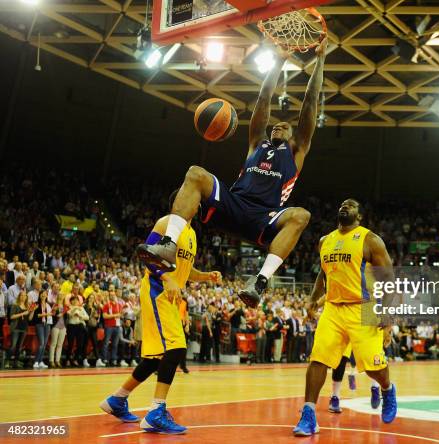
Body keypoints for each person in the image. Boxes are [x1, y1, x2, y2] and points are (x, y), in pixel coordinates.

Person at [136, 37, 329, 308]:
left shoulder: (296, 152)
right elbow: (263, 99)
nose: (278, 127)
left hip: (264, 217)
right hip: (232, 204)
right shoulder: (256, 143)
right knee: (195, 173)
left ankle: (259, 282)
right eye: (275, 126)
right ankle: (168, 243)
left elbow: (309, 105)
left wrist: (320, 59)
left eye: (284, 127)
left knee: (301, 215)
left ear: (294, 136)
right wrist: (279, 60)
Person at [100, 209, 221, 435]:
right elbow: (148, 255)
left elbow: (185, 270)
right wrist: (166, 278)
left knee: (157, 357)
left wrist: (205, 276)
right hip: (157, 289)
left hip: (169, 295)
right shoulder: (167, 222)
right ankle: (156, 412)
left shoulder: (191, 233)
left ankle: (117, 399)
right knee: (176, 347)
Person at [294, 199, 397, 436]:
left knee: (373, 367)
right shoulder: (325, 241)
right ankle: (309, 415)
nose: (345, 206)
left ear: (359, 217)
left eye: (351, 206)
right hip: (333, 309)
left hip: (364, 308)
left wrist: (388, 314)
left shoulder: (370, 240)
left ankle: (387, 389)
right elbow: (322, 274)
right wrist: (312, 299)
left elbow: (389, 279)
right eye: (342, 204)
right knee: (318, 359)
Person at [6, 291, 36, 368]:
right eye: (21, 295)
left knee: (19, 347)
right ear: (19, 296)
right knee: (13, 346)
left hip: (24, 328)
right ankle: (7, 361)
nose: (23, 297)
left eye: (24, 295)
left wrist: (32, 311)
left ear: (26, 297)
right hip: (16, 328)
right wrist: (22, 314)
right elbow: (11, 317)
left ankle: (15, 362)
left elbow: (29, 318)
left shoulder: (27, 306)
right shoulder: (15, 305)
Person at [66, 295, 89, 367]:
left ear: (79, 301)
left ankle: (75, 358)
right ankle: (68, 359)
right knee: (70, 344)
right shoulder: (68, 307)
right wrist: (74, 309)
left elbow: (87, 317)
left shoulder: (81, 308)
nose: (75, 301)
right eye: (73, 300)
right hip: (71, 326)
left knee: (80, 344)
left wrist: (80, 316)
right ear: (71, 301)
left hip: (79, 326)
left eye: (76, 300)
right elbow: (68, 315)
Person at [33, 289, 53, 369]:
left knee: (44, 344)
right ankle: (36, 361)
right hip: (39, 324)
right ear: (40, 295)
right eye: (42, 294)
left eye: (45, 294)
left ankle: (41, 361)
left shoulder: (48, 305)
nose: (43, 295)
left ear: (47, 295)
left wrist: (51, 314)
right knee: (41, 344)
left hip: (47, 324)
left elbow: (51, 314)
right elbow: (36, 315)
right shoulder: (36, 304)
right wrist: (47, 314)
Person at [48, 293, 67, 368]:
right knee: (53, 344)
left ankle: (57, 360)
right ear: (57, 297)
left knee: (60, 345)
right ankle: (51, 360)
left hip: (63, 326)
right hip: (55, 325)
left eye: (62, 296)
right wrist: (55, 313)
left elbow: (66, 317)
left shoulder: (65, 307)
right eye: (60, 296)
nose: (61, 297)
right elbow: (51, 314)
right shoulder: (54, 305)